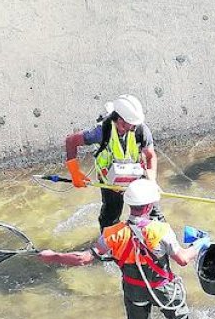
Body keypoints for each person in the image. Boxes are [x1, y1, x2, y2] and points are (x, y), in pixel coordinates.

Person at [39, 178, 209, 319]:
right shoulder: (161, 230)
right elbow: (183, 259)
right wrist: (200, 245)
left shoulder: (112, 233)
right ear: (149, 206)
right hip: (162, 289)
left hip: (134, 291)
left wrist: (53, 256)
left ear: (130, 204)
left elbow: (83, 258)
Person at [63, 94, 159, 229]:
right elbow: (71, 141)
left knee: (152, 211)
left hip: (135, 175)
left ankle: (156, 243)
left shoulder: (141, 130)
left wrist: (151, 177)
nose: (135, 127)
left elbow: (150, 156)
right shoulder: (101, 132)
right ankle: (107, 245)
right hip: (110, 181)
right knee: (111, 216)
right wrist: (75, 172)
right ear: (120, 121)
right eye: (132, 124)